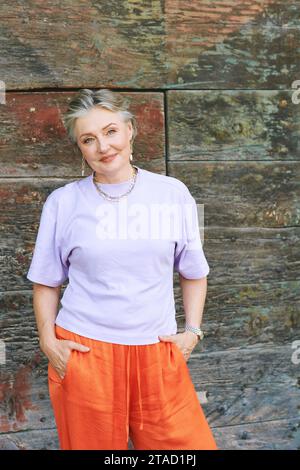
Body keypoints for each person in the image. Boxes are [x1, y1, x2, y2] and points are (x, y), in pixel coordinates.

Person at [26, 88, 218, 450]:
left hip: (157, 352)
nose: (103, 146)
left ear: (130, 130)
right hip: (85, 355)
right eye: (89, 139)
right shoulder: (63, 203)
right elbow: (46, 282)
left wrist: (192, 332)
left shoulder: (172, 194)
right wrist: (48, 342)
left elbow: (194, 271)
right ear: (81, 148)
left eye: (111, 131)